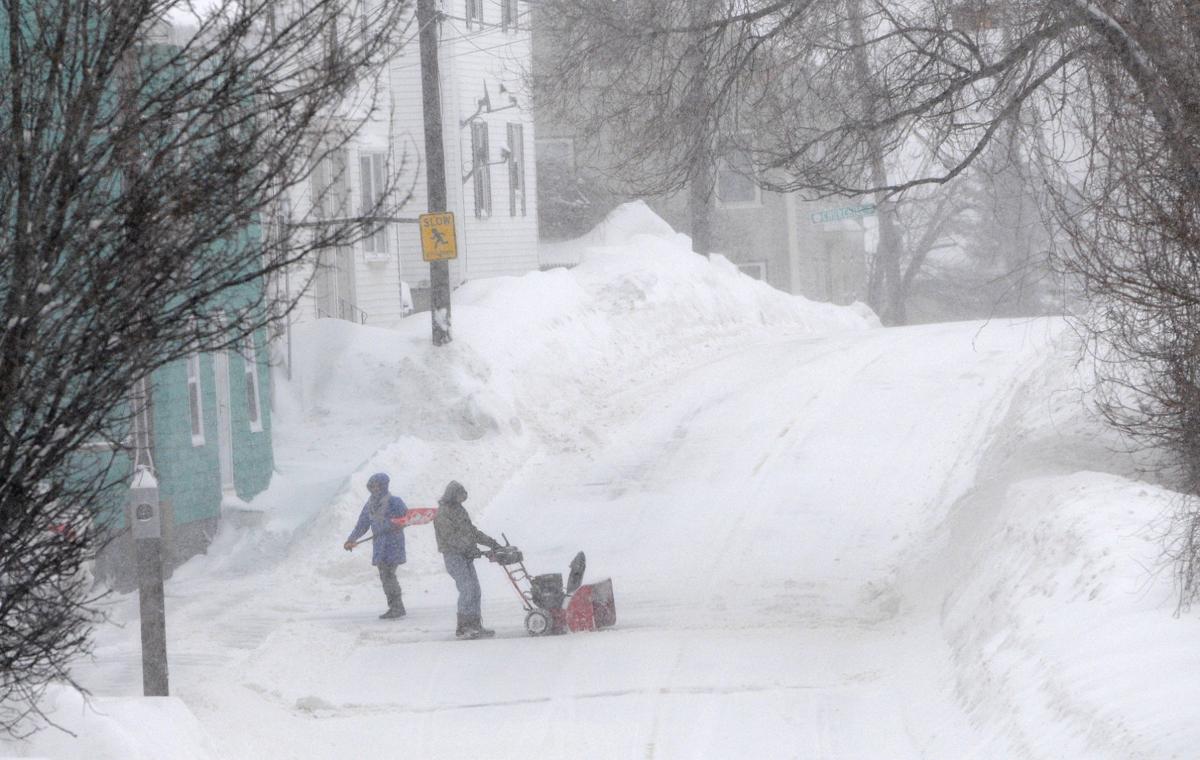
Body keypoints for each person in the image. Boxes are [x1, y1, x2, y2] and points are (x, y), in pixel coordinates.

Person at [433, 480, 500, 639]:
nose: (462, 500)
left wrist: (491, 543)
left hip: (465, 555)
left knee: (475, 590)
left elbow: (471, 531)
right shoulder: (443, 513)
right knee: (467, 588)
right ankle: (463, 627)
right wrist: (469, 549)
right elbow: (451, 538)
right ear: (452, 495)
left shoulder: (459, 510)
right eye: (459, 496)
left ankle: (475, 625)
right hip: (453, 555)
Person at [344, 472, 409, 619]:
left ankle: (396, 607)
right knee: (385, 576)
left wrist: (395, 524)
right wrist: (351, 539)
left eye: (376, 486)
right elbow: (362, 524)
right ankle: (395, 606)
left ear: (383, 486)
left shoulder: (395, 502)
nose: (374, 489)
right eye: (371, 486)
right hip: (380, 545)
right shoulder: (370, 505)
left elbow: (405, 519)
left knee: (388, 575)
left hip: (393, 544)